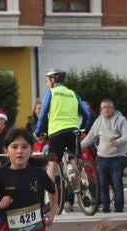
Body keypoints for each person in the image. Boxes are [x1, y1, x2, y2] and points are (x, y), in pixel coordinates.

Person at [35, 69, 91, 213]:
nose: (47, 83)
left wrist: (37, 131)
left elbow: (42, 114)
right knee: (75, 161)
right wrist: (82, 128)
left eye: (47, 80)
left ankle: (48, 201)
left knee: (52, 165)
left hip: (57, 133)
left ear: (53, 80)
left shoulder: (51, 93)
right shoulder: (73, 93)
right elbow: (86, 113)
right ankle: (86, 192)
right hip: (73, 131)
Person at [82, 99, 127, 213]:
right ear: (100, 110)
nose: (106, 110)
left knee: (116, 184)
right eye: (103, 107)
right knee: (102, 184)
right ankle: (106, 207)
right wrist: (79, 146)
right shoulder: (99, 121)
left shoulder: (121, 120)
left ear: (113, 109)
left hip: (117, 157)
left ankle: (119, 207)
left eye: (109, 107)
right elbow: (90, 137)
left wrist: (118, 142)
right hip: (102, 157)